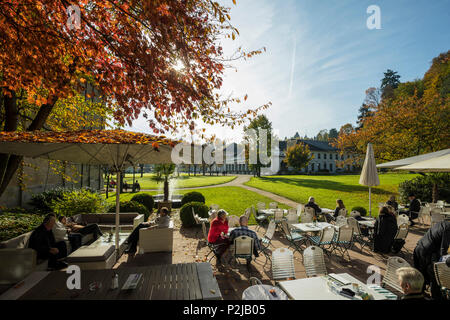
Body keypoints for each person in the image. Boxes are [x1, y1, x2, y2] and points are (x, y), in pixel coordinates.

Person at [413, 220, 450, 300]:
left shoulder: (443, 223)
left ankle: (420, 293)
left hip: (420, 246)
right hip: (427, 251)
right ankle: (436, 296)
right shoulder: (448, 229)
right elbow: (443, 250)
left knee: (420, 273)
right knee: (435, 274)